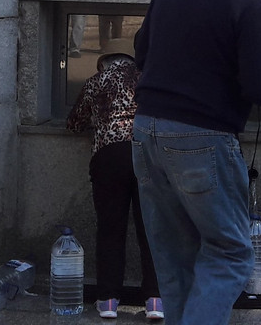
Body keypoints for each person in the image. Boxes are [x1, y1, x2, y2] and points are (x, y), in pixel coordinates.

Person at [132, 0, 261, 325]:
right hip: (202, 137)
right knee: (231, 252)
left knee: (174, 253)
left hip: (145, 130)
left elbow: (141, 51)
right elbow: (259, 85)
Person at [67, 39, 161, 321]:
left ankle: (108, 301)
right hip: (147, 154)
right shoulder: (148, 78)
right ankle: (156, 301)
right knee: (151, 231)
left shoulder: (97, 81)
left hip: (109, 157)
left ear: (104, 61)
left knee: (110, 230)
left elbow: (74, 123)